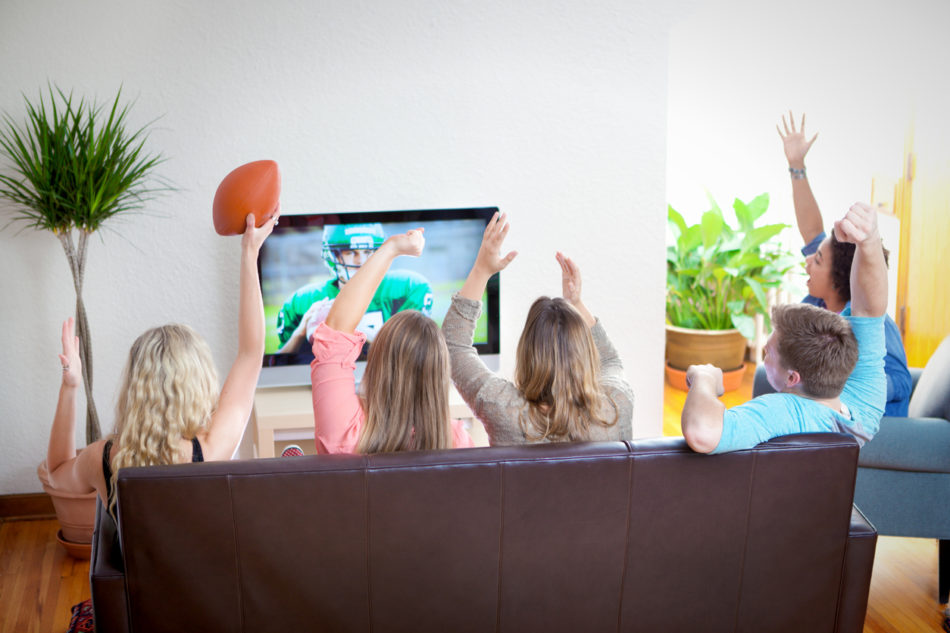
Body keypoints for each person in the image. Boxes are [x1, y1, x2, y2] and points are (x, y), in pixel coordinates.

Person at [44, 212, 277, 515]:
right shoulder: (210, 450)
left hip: (134, 566)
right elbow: (251, 352)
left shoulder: (103, 459)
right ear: (198, 385)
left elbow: (58, 473)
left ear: (135, 385)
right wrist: (249, 252)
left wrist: (70, 385)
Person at [682, 202, 888, 454]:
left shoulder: (781, 413)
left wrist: (704, 378)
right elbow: (869, 310)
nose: (763, 354)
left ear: (793, 377)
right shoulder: (865, 407)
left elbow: (702, 433)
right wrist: (870, 240)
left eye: (768, 352)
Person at [441, 211, 633, 445]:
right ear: (587, 354)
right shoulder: (616, 406)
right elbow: (611, 361)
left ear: (527, 355)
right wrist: (577, 303)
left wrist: (482, 269)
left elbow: (453, 346)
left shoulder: (504, 411)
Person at [777, 112, 912, 416]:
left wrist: (832, 382)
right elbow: (812, 231)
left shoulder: (875, 327)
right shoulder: (819, 300)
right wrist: (796, 166)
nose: (808, 259)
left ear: (840, 278)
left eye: (818, 258)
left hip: (866, 430)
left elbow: (901, 383)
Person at [309, 226, 474, 454]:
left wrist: (391, 248)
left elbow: (336, 329)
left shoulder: (346, 433)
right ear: (439, 374)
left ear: (378, 362)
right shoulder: (457, 439)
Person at [276, 223, 434, 352]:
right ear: (334, 256)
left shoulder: (409, 287)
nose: (361, 261)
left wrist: (353, 327)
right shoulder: (303, 301)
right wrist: (299, 334)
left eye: (367, 251)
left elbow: (411, 356)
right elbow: (277, 363)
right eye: (351, 252)